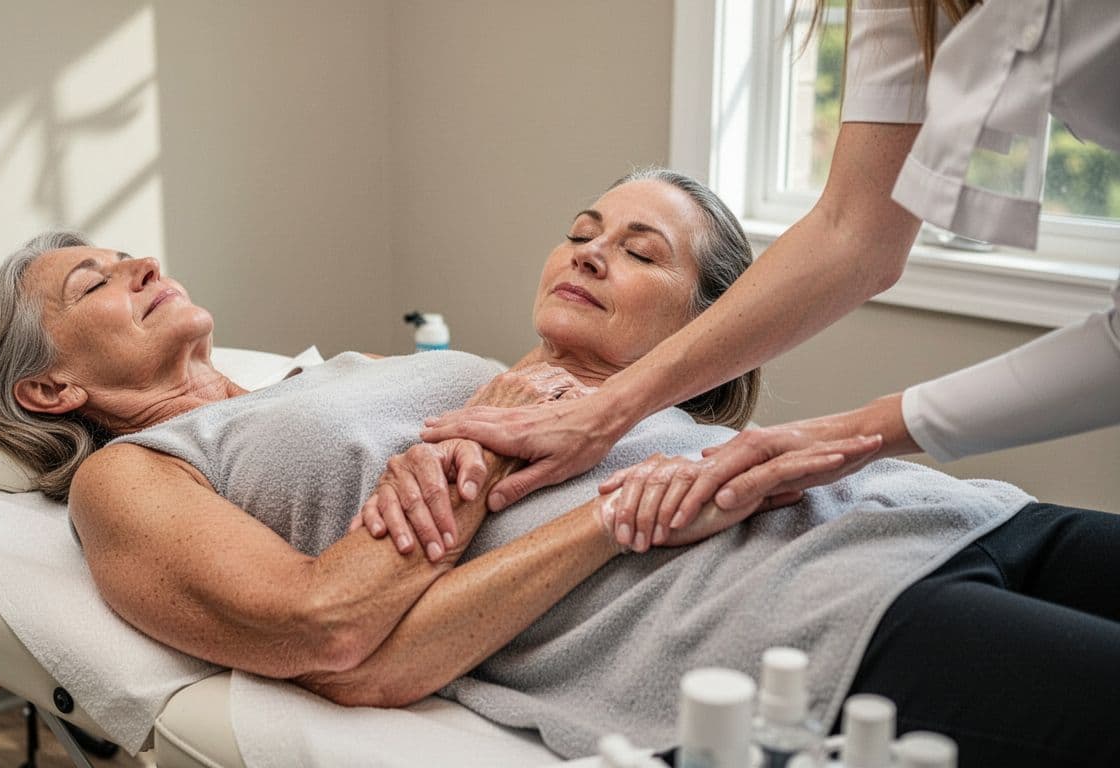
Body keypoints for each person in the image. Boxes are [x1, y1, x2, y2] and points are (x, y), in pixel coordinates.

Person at [0, 171, 1119, 766]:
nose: (137, 261)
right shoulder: (136, 477)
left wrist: (524, 411)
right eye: (90, 284)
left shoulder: (346, 371)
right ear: (49, 389)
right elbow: (328, 636)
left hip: (930, 506)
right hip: (809, 616)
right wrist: (588, 507)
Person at [417, 0, 1120, 541]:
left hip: (972, 523)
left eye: (640, 252)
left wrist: (609, 416)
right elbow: (856, 232)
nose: (588, 254)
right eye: (579, 232)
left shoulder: (688, 453)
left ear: (709, 317)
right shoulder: (432, 401)